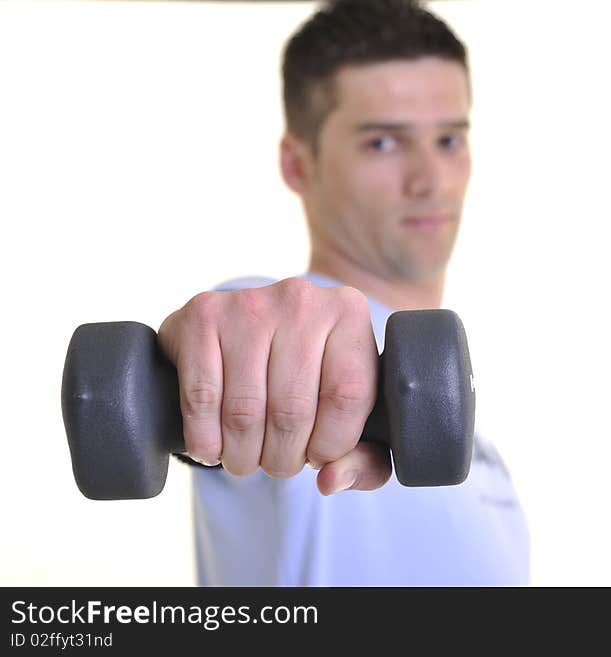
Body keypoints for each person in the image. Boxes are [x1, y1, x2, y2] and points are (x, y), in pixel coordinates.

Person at [158, 0, 529, 586]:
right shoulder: (286, 336)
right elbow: (248, 322)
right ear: (297, 164)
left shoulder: (476, 447)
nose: (429, 180)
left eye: (449, 140)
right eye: (382, 143)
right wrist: (209, 350)